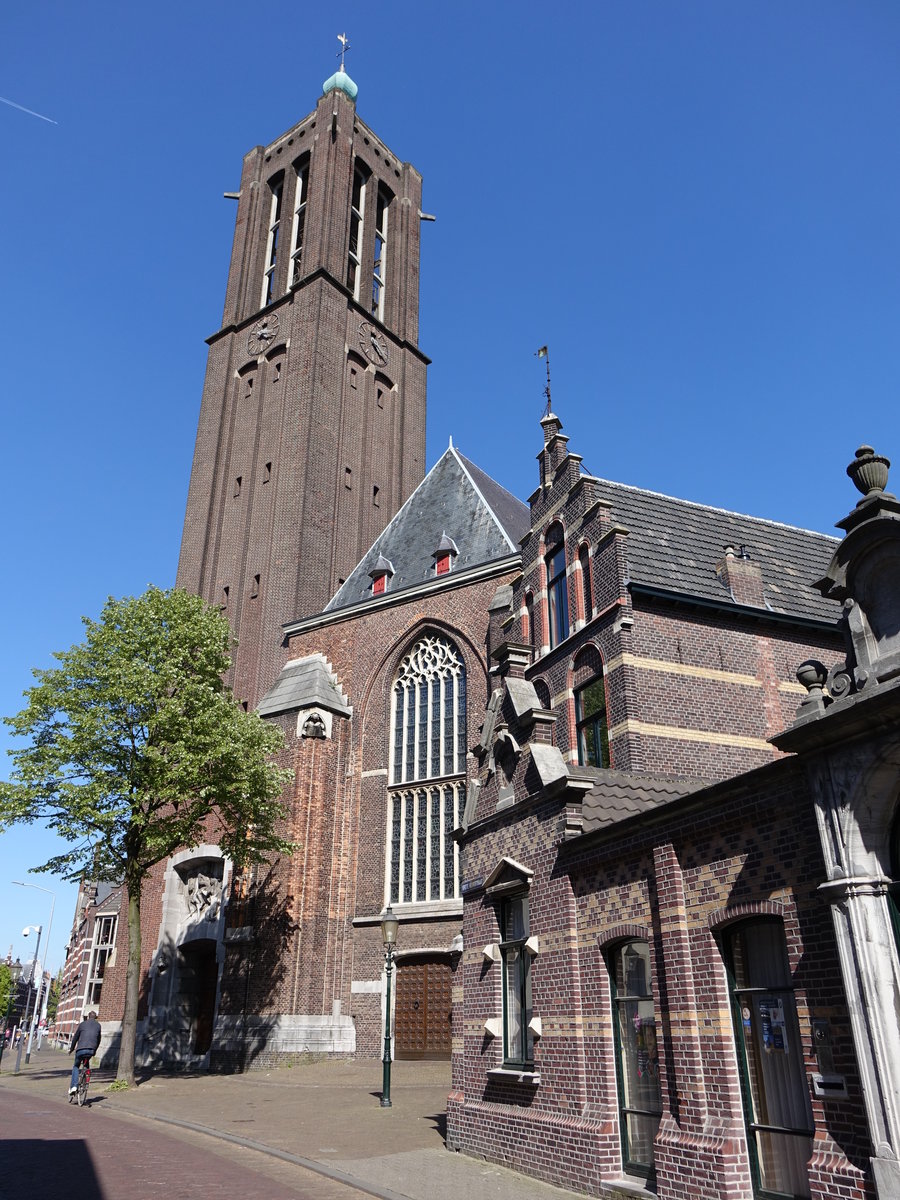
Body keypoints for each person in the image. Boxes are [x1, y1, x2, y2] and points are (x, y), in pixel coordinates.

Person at [68, 1011, 101, 1096]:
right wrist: (95, 1050)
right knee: (86, 1063)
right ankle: (86, 1081)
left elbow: (75, 1038)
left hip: (81, 1049)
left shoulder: (82, 1024)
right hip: (91, 1050)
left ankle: (74, 1086)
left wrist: (71, 1049)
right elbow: (98, 1039)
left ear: (88, 1017)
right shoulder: (98, 1025)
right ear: (96, 1017)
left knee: (76, 1066)